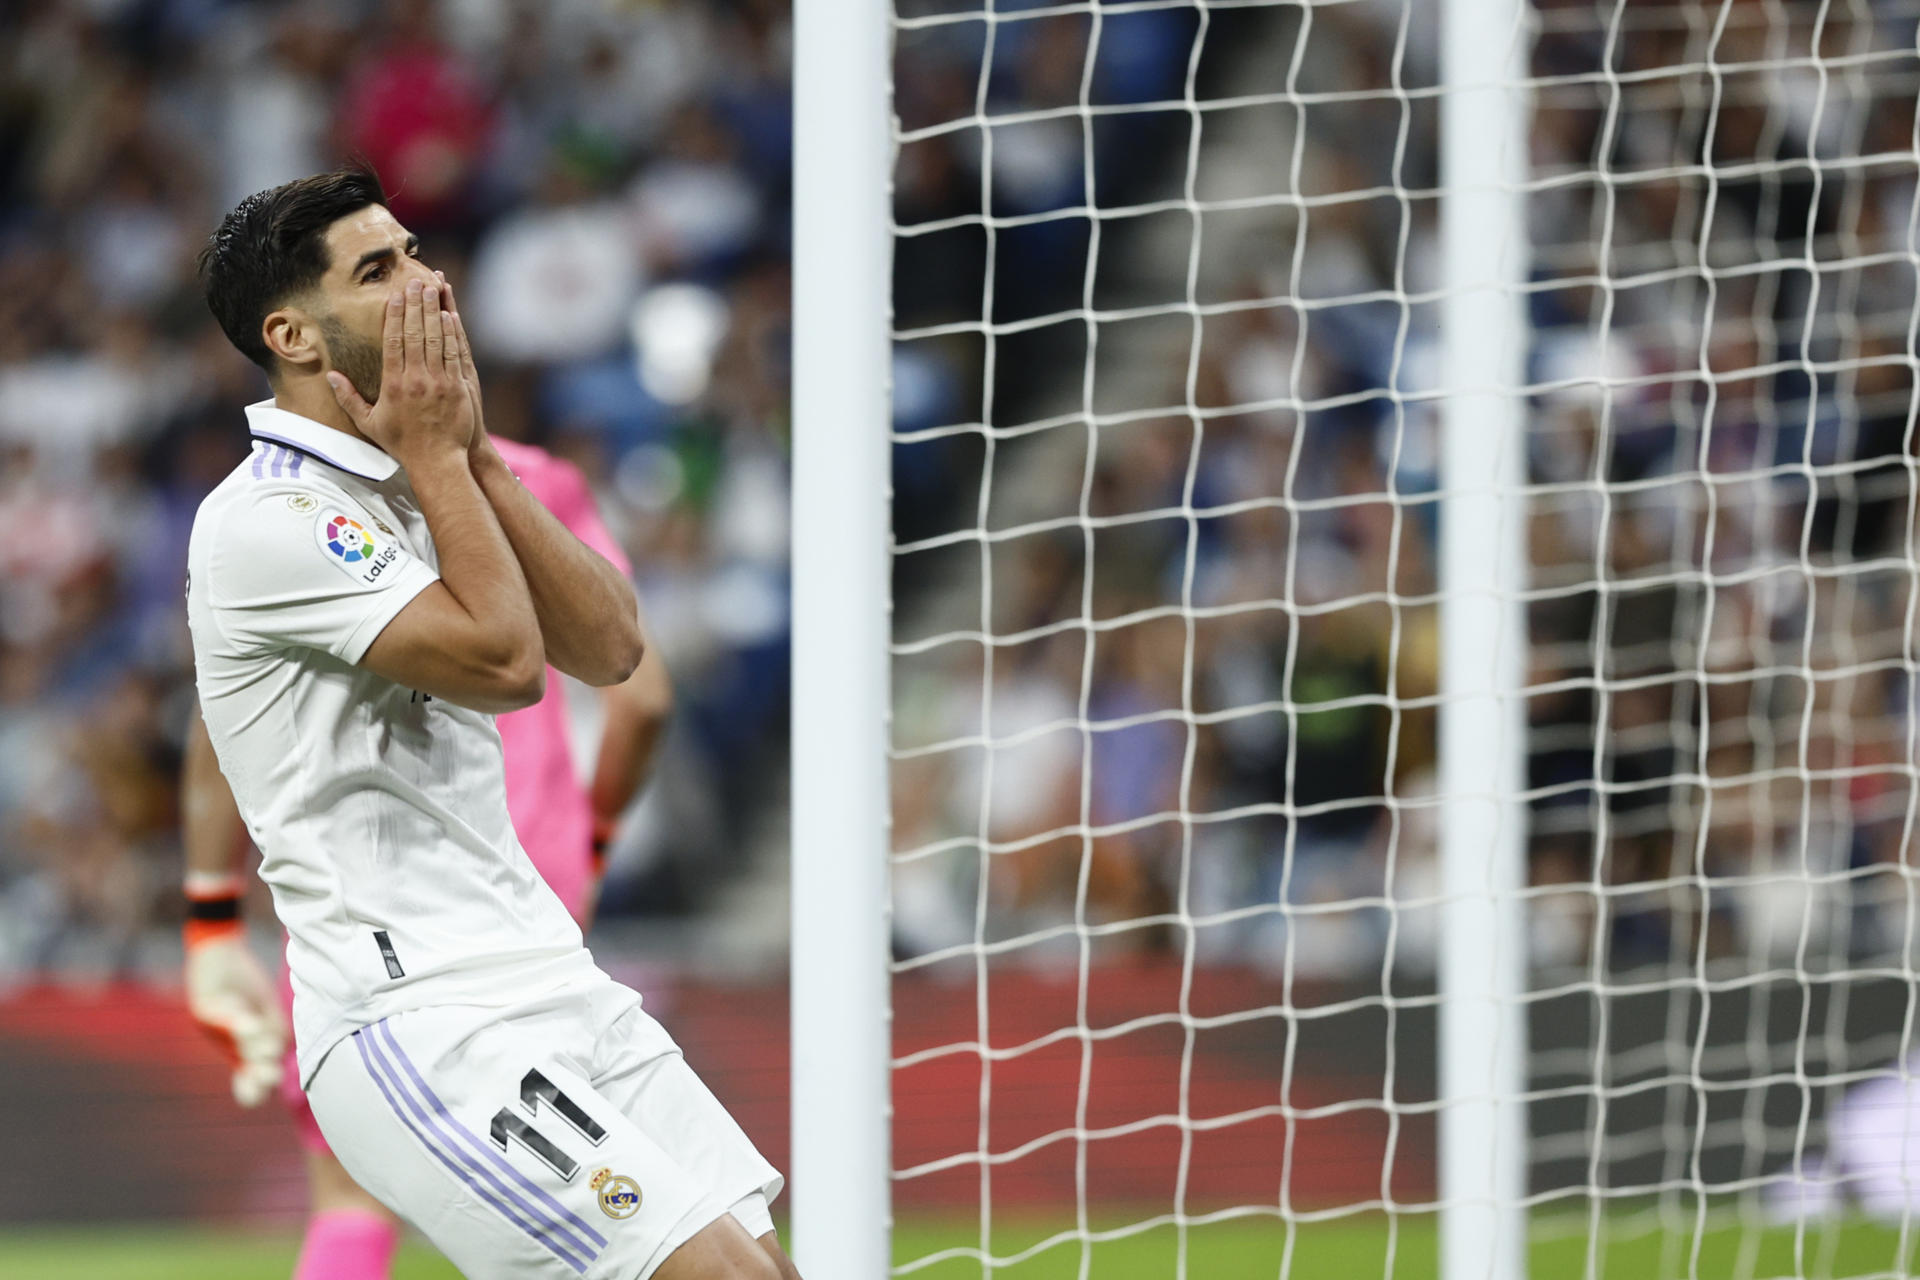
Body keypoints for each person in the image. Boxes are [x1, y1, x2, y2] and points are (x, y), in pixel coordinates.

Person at [180, 167, 796, 1280]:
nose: (430, 285)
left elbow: (612, 651)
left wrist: (464, 457)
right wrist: (439, 456)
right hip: (419, 1014)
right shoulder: (269, 517)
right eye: (380, 271)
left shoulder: (432, 479)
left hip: (552, 970)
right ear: (294, 334)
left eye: (418, 252)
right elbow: (508, 664)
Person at [183, 432, 674, 1280]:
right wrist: (587, 847)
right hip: (534, 877)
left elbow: (224, 714)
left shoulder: (287, 503)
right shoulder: (537, 479)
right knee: (590, 1213)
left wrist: (210, 916)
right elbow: (643, 701)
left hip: (374, 889)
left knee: (350, 1205)